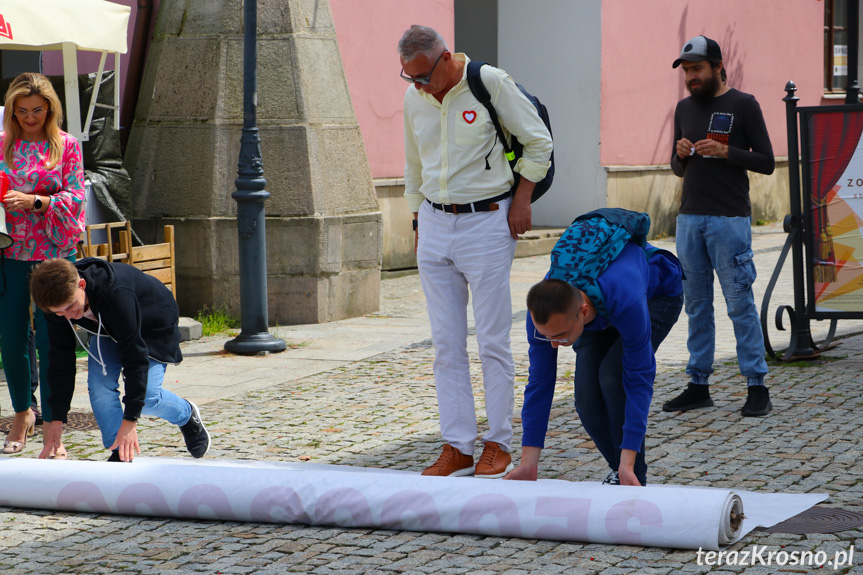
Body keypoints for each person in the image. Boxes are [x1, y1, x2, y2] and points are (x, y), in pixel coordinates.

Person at [398, 25, 552, 477]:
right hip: (434, 220)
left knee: (491, 340)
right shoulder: (415, 99)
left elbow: (539, 142)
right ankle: (458, 444)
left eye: (424, 75)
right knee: (445, 344)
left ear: (446, 58)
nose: (419, 86)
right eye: (410, 78)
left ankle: (498, 443)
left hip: (487, 220)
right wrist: (417, 221)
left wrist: (521, 200)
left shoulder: (490, 83)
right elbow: (412, 166)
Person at [506, 209, 684, 486]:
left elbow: (639, 382)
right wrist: (528, 464)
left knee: (613, 377)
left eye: (561, 336)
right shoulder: (546, 315)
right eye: (548, 336)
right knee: (586, 397)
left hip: (656, 296)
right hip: (596, 311)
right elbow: (539, 384)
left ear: (583, 311)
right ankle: (619, 471)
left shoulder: (625, 294)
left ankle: (632, 474)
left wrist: (629, 463)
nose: (553, 343)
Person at [663, 36, 775, 417]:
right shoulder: (682, 108)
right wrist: (678, 156)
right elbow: (679, 168)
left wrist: (727, 151)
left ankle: (757, 386)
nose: (691, 77)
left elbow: (767, 161)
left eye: (697, 69)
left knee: (739, 304)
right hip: (689, 218)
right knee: (695, 304)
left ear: (715, 66)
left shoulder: (744, 104)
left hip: (729, 219)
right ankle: (699, 384)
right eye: (686, 71)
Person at [30, 257, 211, 462]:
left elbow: (134, 356)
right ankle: (118, 452)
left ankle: (186, 414)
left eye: (70, 307)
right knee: (99, 387)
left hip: (152, 323)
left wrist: (130, 420)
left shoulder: (115, 292)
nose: (68, 317)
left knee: (148, 398)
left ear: (82, 284)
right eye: (59, 312)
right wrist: (56, 418)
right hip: (107, 328)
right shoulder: (58, 303)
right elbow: (60, 359)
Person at [0, 72, 86, 457]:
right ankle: (22, 413)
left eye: (37, 110)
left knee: (54, 342)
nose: (30, 117)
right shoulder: (2, 145)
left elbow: (75, 197)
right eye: (22, 111)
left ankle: (54, 424)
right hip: (10, 252)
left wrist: (37, 201)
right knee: (11, 338)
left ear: (50, 109)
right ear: (12, 111)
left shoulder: (65, 146)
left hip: (54, 255)